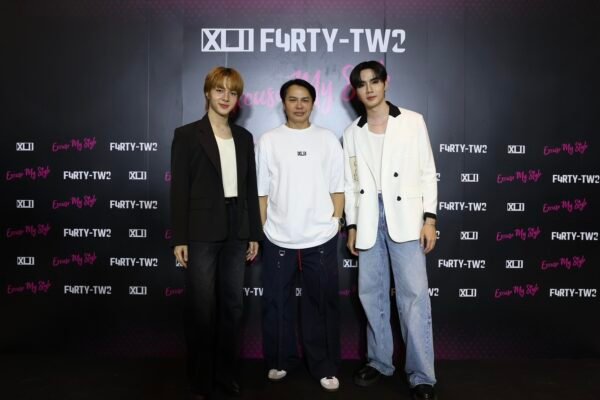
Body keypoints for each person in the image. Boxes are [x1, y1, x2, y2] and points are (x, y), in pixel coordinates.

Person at [343, 61, 439, 400]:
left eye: (374, 81)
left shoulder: (412, 121)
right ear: (356, 91)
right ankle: (379, 361)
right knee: (371, 295)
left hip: (407, 217)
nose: (369, 89)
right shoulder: (352, 132)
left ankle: (422, 375)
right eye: (362, 84)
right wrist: (352, 224)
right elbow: (351, 182)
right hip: (369, 218)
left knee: (414, 298)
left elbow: (427, 171)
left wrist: (430, 219)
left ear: (386, 83)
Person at [170, 66, 262, 400]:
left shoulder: (244, 138)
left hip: (237, 228)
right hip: (201, 230)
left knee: (232, 307)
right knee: (201, 308)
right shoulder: (187, 135)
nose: (226, 97)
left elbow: (250, 187)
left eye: (232, 92)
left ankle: (226, 375)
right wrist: (180, 238)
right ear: (208, 93)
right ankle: (200, 379)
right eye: (220, 90)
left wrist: (254, 233)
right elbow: (179, 189)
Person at [256, 79, 344, 392]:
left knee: (321, 303)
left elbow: (338, 187)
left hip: (320, 237)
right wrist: (265, 229)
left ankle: (325, 366)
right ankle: (280, 360)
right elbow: (262, 191)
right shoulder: (269, 140)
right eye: (293, 99)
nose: (299, 105)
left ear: (313, 103)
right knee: (276, 303)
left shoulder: (327, 139)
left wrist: (334, 221)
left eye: (305, 99)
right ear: (283, 103)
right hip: (278, 237)